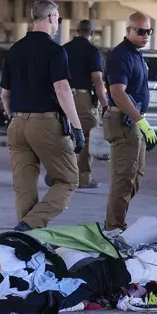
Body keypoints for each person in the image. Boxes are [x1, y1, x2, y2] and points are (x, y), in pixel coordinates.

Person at [0, 0, 85, 232]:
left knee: (24, 188)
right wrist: (77, 128)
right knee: (68, 180)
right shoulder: (55, 51)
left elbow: (5, 95)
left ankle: (26, 241)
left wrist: (14, 119)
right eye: (57, 17)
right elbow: (62, 89)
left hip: (16, 123)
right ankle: (29, 226)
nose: (57, 22)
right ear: (50, 18)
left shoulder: (14, 50)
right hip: (45, 123)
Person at [103, 12, 157, 231]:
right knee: (124, 178)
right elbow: (117, 92)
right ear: (128, 31)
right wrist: (140, 120)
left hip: (134, 121)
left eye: (149, 31)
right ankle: (114, 227)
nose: (146, 35)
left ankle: (115, 221)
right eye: (141, 31)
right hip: (124, 121)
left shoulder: (136, 54)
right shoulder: (121, 55)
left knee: (136, 176)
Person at [61, 19, 108, 189]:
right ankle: (83, 178)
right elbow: (97, 80)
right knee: (86, 137)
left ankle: (58, 175)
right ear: (92, 32)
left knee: (64, 135)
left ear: (77, 30)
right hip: (83, 99)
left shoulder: (64, 49)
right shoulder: (92, 51)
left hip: (63, 96)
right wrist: (104, 104)